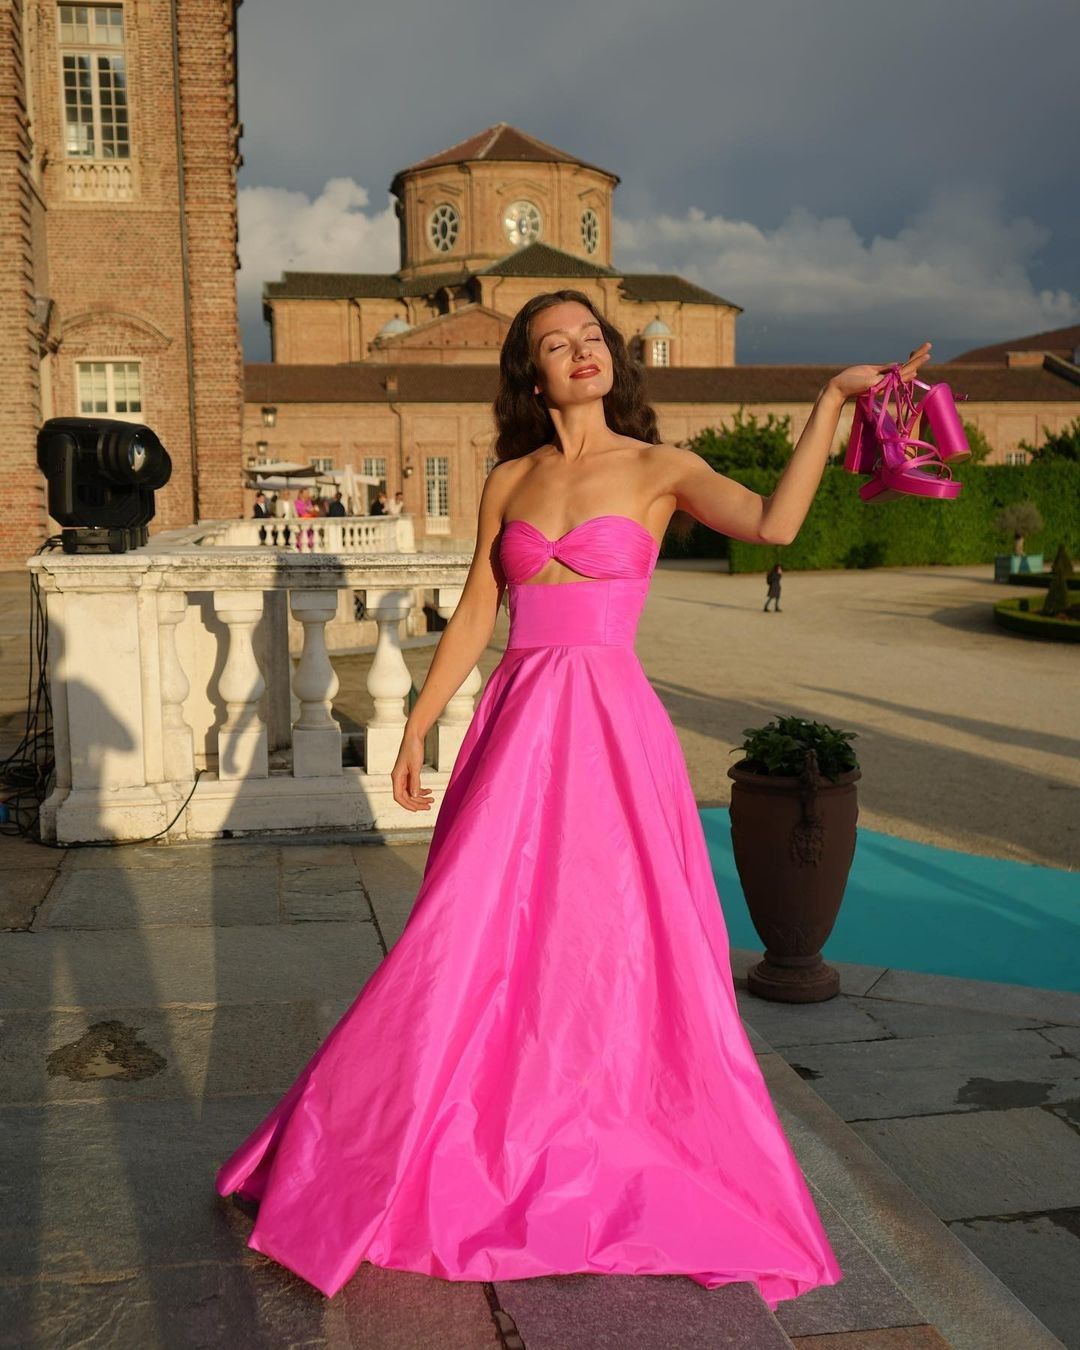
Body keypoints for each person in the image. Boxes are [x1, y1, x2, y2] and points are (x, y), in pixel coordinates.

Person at [214, 286, 932, 1306]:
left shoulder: (660, 468)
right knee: (463, 936)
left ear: (611, 357)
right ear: (533, 375)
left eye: (591, 337)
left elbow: (774, 525)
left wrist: (830, 402)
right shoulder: (508, 479)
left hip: (609, 729)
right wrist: (416, 725)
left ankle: (604, 1126)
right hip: (515, 725)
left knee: (612, 936)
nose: (581, 351)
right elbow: (476, 612)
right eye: (557, 344)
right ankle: (426, 1129)